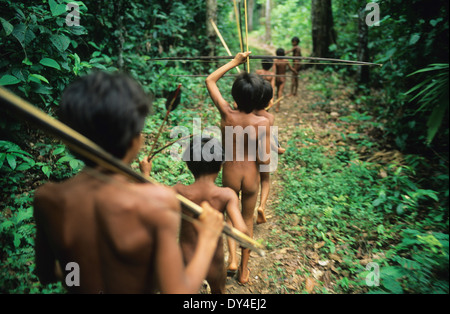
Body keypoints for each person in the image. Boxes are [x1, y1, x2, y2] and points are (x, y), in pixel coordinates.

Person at [33, 72, 224, 294]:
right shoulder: (158, 202)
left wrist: (79, 273)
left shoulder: (47, 199)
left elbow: (47, 273)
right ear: (135, 140)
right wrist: (208, 238)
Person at [205, 52, 272, 285]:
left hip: (230, 174)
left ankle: (231, 259)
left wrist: (235, 62)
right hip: (251, 176)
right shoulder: (262, 122)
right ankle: (243, 271)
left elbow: (210, 81)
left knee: (230, 217)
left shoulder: (227, 114)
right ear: (259, 100)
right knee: (246, 219)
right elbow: (264, 159)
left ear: (234, 96)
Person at [170, 136, 248, 294]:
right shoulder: (226, 195)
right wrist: (243, 239)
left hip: (186, 258)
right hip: (214, 259)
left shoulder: (178, 191)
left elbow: (152, 197)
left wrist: (146, 173)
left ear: (188, 164)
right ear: (221, 165)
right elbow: (241, 229)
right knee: (218, 291)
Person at [253, 80, 286, 224]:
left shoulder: (248, 112)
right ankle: (261, 207)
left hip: (250, 151)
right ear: (269, 101)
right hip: (264, 151)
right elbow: (269, 137)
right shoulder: (269, 117)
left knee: (252, 177)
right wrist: (277, 149)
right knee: (265, 179)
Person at [274, 48, 297, 112]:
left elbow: (273, 71)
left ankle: (276, 104)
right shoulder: (286, 61)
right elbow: (291, 68)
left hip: (277, 77)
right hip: (283, 78)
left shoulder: (275, 61)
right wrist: (295, 72)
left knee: (278, 91)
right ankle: (277, 107)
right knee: (280, 92)